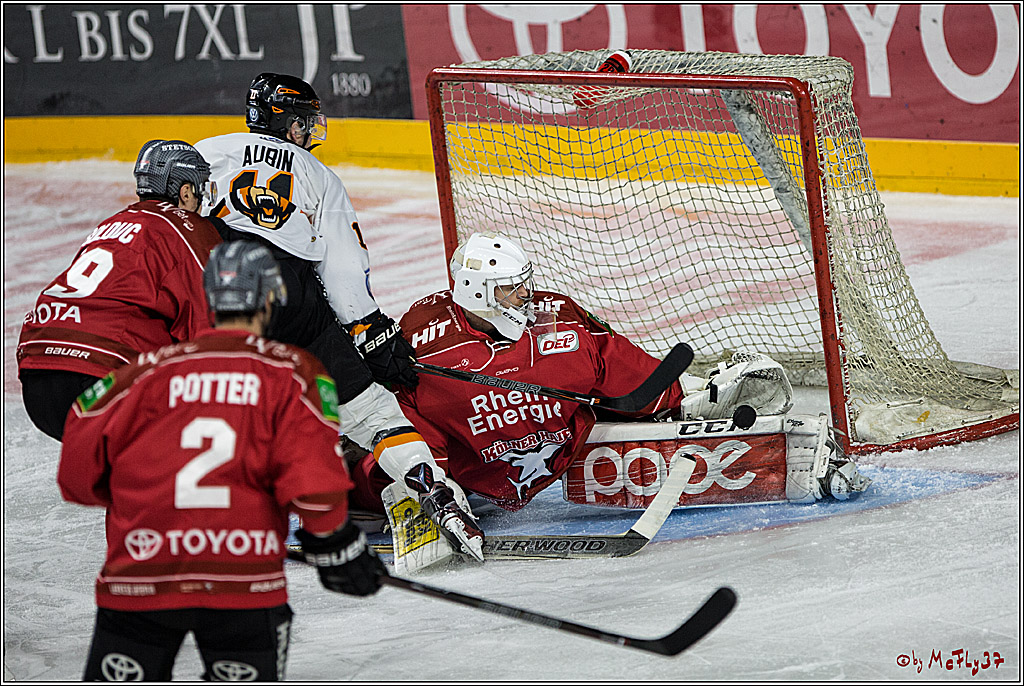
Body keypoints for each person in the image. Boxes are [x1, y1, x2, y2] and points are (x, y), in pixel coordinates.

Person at [57, 241, 385, 681]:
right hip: (242, 580)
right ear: (271, 298)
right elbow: (313, 483)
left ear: (210, 298)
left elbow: (76, 475)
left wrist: (136, 502)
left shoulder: (141, 372)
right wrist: (334, 541)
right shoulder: (294, 372)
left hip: (141, 571)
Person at [193, 73, 482, 562]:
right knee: (373, 414)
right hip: (293, 302)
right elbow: (344, 269)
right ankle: (439, 497)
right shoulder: (317, 174)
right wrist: (369, 330)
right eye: (305, 122)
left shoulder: (207, 151)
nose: (310, 132)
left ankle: (213, 516)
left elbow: (173, 224)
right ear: (288, 123)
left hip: (217, 299)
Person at [16, 139, 222, 441]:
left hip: (37, 374)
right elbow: (207, 326)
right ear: (186, 192)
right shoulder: (190, 229)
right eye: (200, 188)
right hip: (101, 379)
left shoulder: (109, 225)